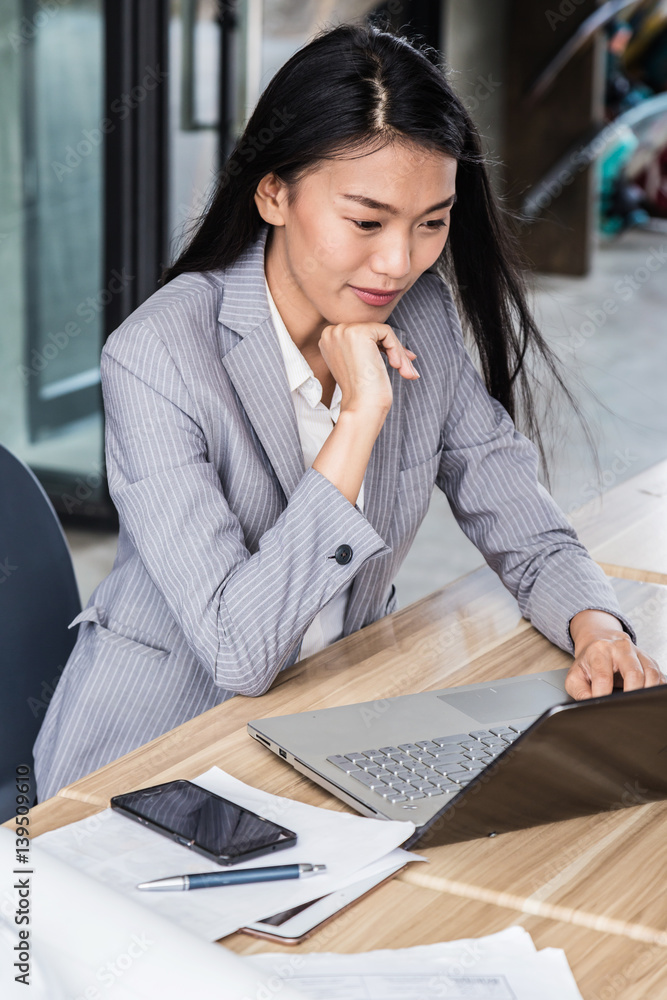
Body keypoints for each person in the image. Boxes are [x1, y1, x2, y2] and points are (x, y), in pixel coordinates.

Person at [34, 20, 663, 802]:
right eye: (366, 221)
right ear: (274, 192)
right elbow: (238, 649)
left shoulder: (419, 313)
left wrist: (594, 625)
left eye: (430, 222)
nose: (399, 262)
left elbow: (520, 519)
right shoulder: (157, 354)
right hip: (146, 762)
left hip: (321, 725)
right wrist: (359, 417)